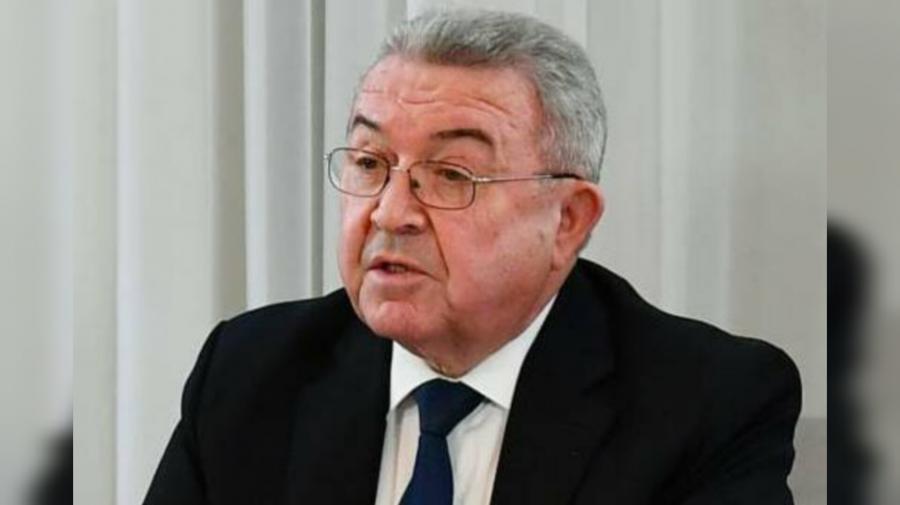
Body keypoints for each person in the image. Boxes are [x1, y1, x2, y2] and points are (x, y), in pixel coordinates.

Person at [144, 9, 801, 505]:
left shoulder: (705, 405)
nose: (390, 212)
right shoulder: (250, 373)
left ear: (567, 220)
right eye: (370, 163)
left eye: (452, 175)